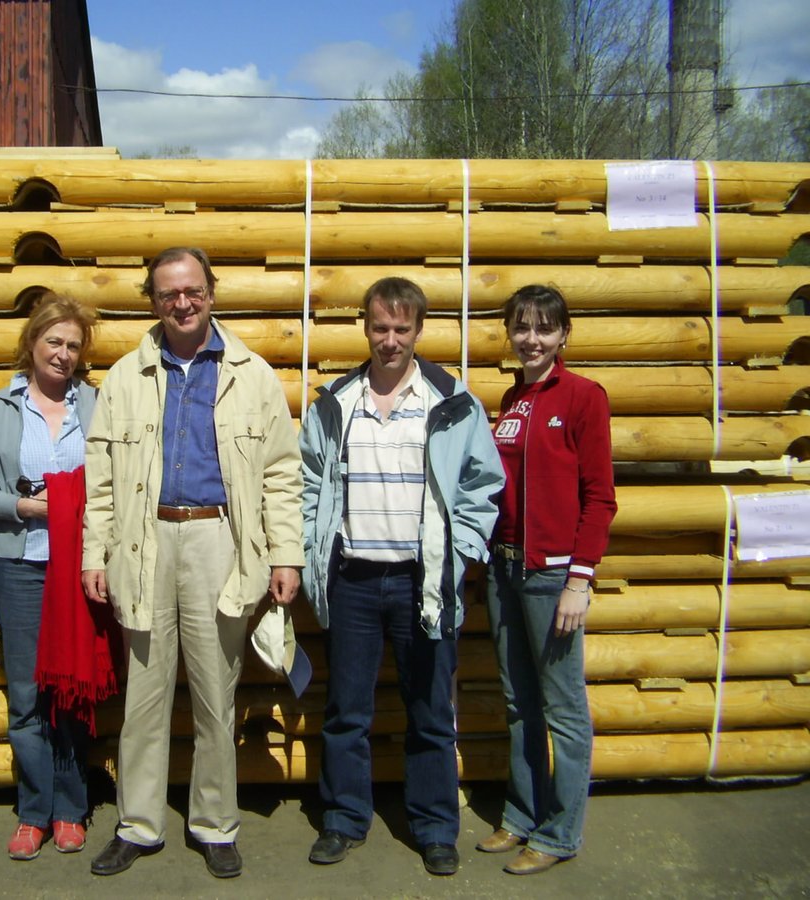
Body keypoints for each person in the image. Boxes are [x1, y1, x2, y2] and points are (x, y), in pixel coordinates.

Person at [81, 247, 304, 879]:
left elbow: (281, 478)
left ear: (211, 292)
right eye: (168, 293)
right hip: (143, 542)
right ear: (152, 299)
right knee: (145, 697)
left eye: (193, 290)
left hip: (220, 543)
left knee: (215, 695)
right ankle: (139, 825)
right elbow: (101, 478)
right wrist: (93, 554)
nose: (183, 302)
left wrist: (286, 554)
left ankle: (215, 824)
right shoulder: (127, 376)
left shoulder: (252, 375)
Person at [300, 276, 504, 877]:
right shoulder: (336, 401)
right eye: (380, 327)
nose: (390, 340)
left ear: (418, 331)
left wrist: (462, 550)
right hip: (355, 579)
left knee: (431, 712)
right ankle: (342, 819)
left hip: (425, 580)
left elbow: (482, 484)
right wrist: (317, 548)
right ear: (365, 327)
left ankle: (437, 828)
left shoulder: (452, 401)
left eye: (402, 329)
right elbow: (311, 483)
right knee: (347, 711)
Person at [477, 285, 616, 875]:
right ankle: (521, 815)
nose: (531, 339)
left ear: (563, 335)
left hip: (551, 573)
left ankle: (560, 833)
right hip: (504, 570)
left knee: (563, 708)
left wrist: (578, 581)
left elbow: (600, 498)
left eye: (543, 328)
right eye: (521, 327)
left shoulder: (583, 397)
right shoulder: (512, 399)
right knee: (518, 700)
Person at [0, 293, 99, 860]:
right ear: (32, 343)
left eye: (73, 345)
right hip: (20, 564)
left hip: (79, 565)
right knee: (25, 694)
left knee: (71, 687)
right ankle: (33, 810)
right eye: (54, 342)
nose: (63, 354)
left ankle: (71, 806)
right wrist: (30, 509)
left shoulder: (96, 404)